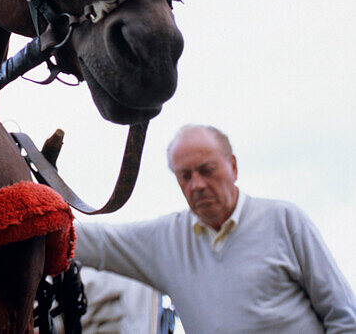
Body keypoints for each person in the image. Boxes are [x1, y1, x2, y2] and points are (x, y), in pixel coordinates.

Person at [73, 124, 356, 333]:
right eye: (185, 176)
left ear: (232, 166)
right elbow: (99, 243)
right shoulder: (165, 242)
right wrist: (37, 209)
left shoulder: (285, 221)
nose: (196, 184)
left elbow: (344, 317)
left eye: (207, 170)